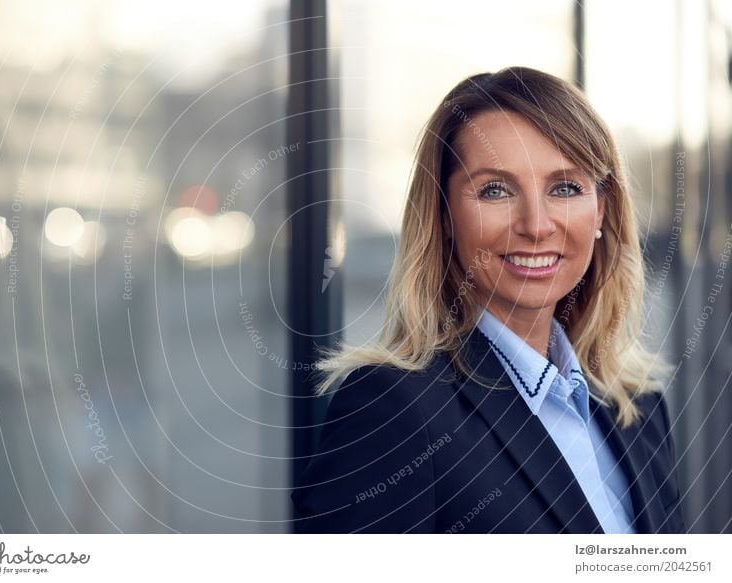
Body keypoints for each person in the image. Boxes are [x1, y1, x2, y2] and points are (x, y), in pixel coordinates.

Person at [290, 66, 685, 534]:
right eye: (495, 190)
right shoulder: (392, 411)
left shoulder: (635, 405)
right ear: (444, 214)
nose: (536, 225)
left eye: (565, 188)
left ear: (601, 209)